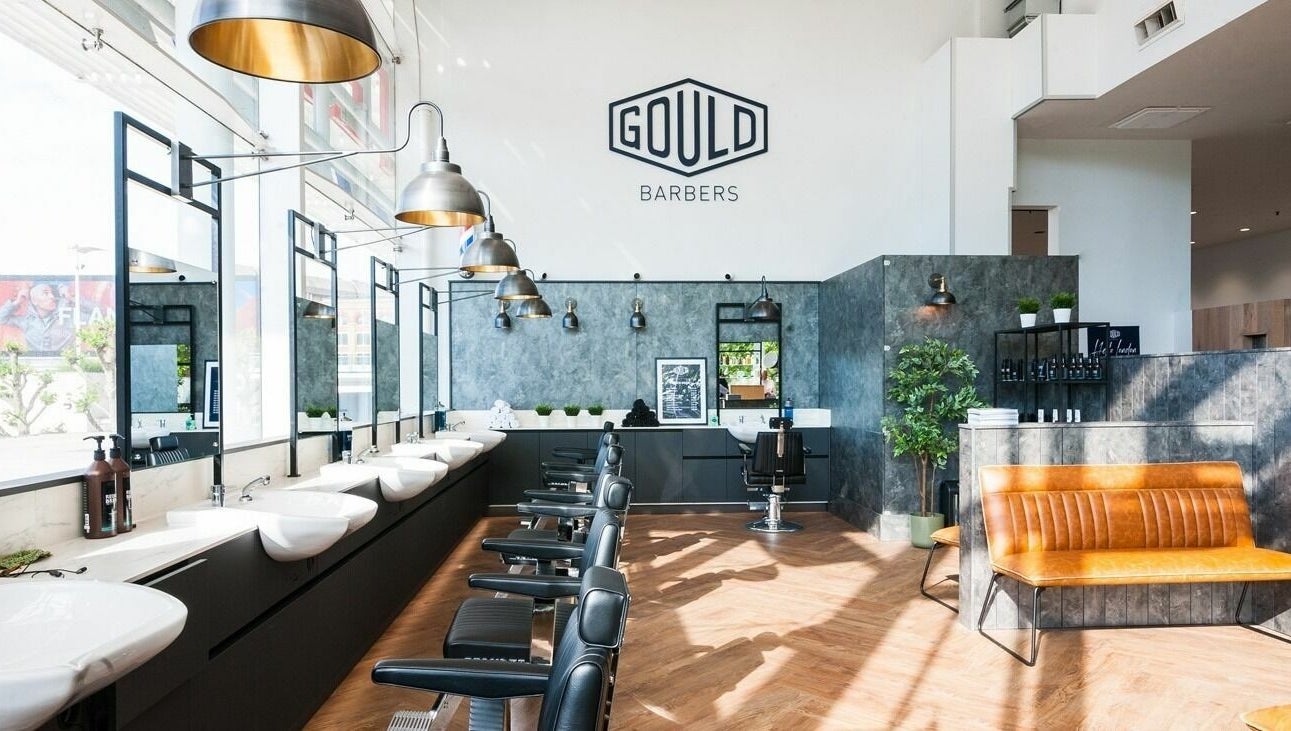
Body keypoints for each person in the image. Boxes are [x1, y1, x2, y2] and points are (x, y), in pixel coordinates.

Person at [0, 282, 75, 353]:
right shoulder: (26, 321)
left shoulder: (66, 316)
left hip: (64, 363)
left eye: (52, 293)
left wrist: (72, 298)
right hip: (33, 364)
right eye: (45, 293)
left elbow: (86, 312)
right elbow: (1, 318)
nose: (52, 297)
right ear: (34, 301)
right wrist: (17, 302)